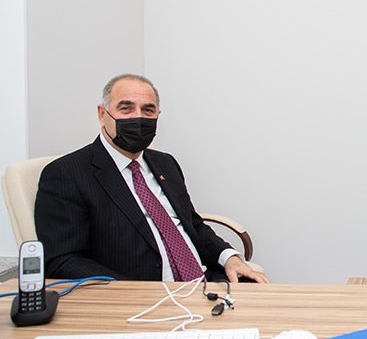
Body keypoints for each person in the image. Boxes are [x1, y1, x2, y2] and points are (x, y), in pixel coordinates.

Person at [35, 73, 269, 283]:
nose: (138, 118)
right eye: (126, 109)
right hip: (140, 294)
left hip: (204, 282)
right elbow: (63, 260)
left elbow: (193, 224)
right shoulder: (66, 173)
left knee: (267, 301)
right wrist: (134, 293)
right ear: (102, 114)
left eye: (148, 110)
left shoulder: (165, 163)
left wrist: (229, 258)